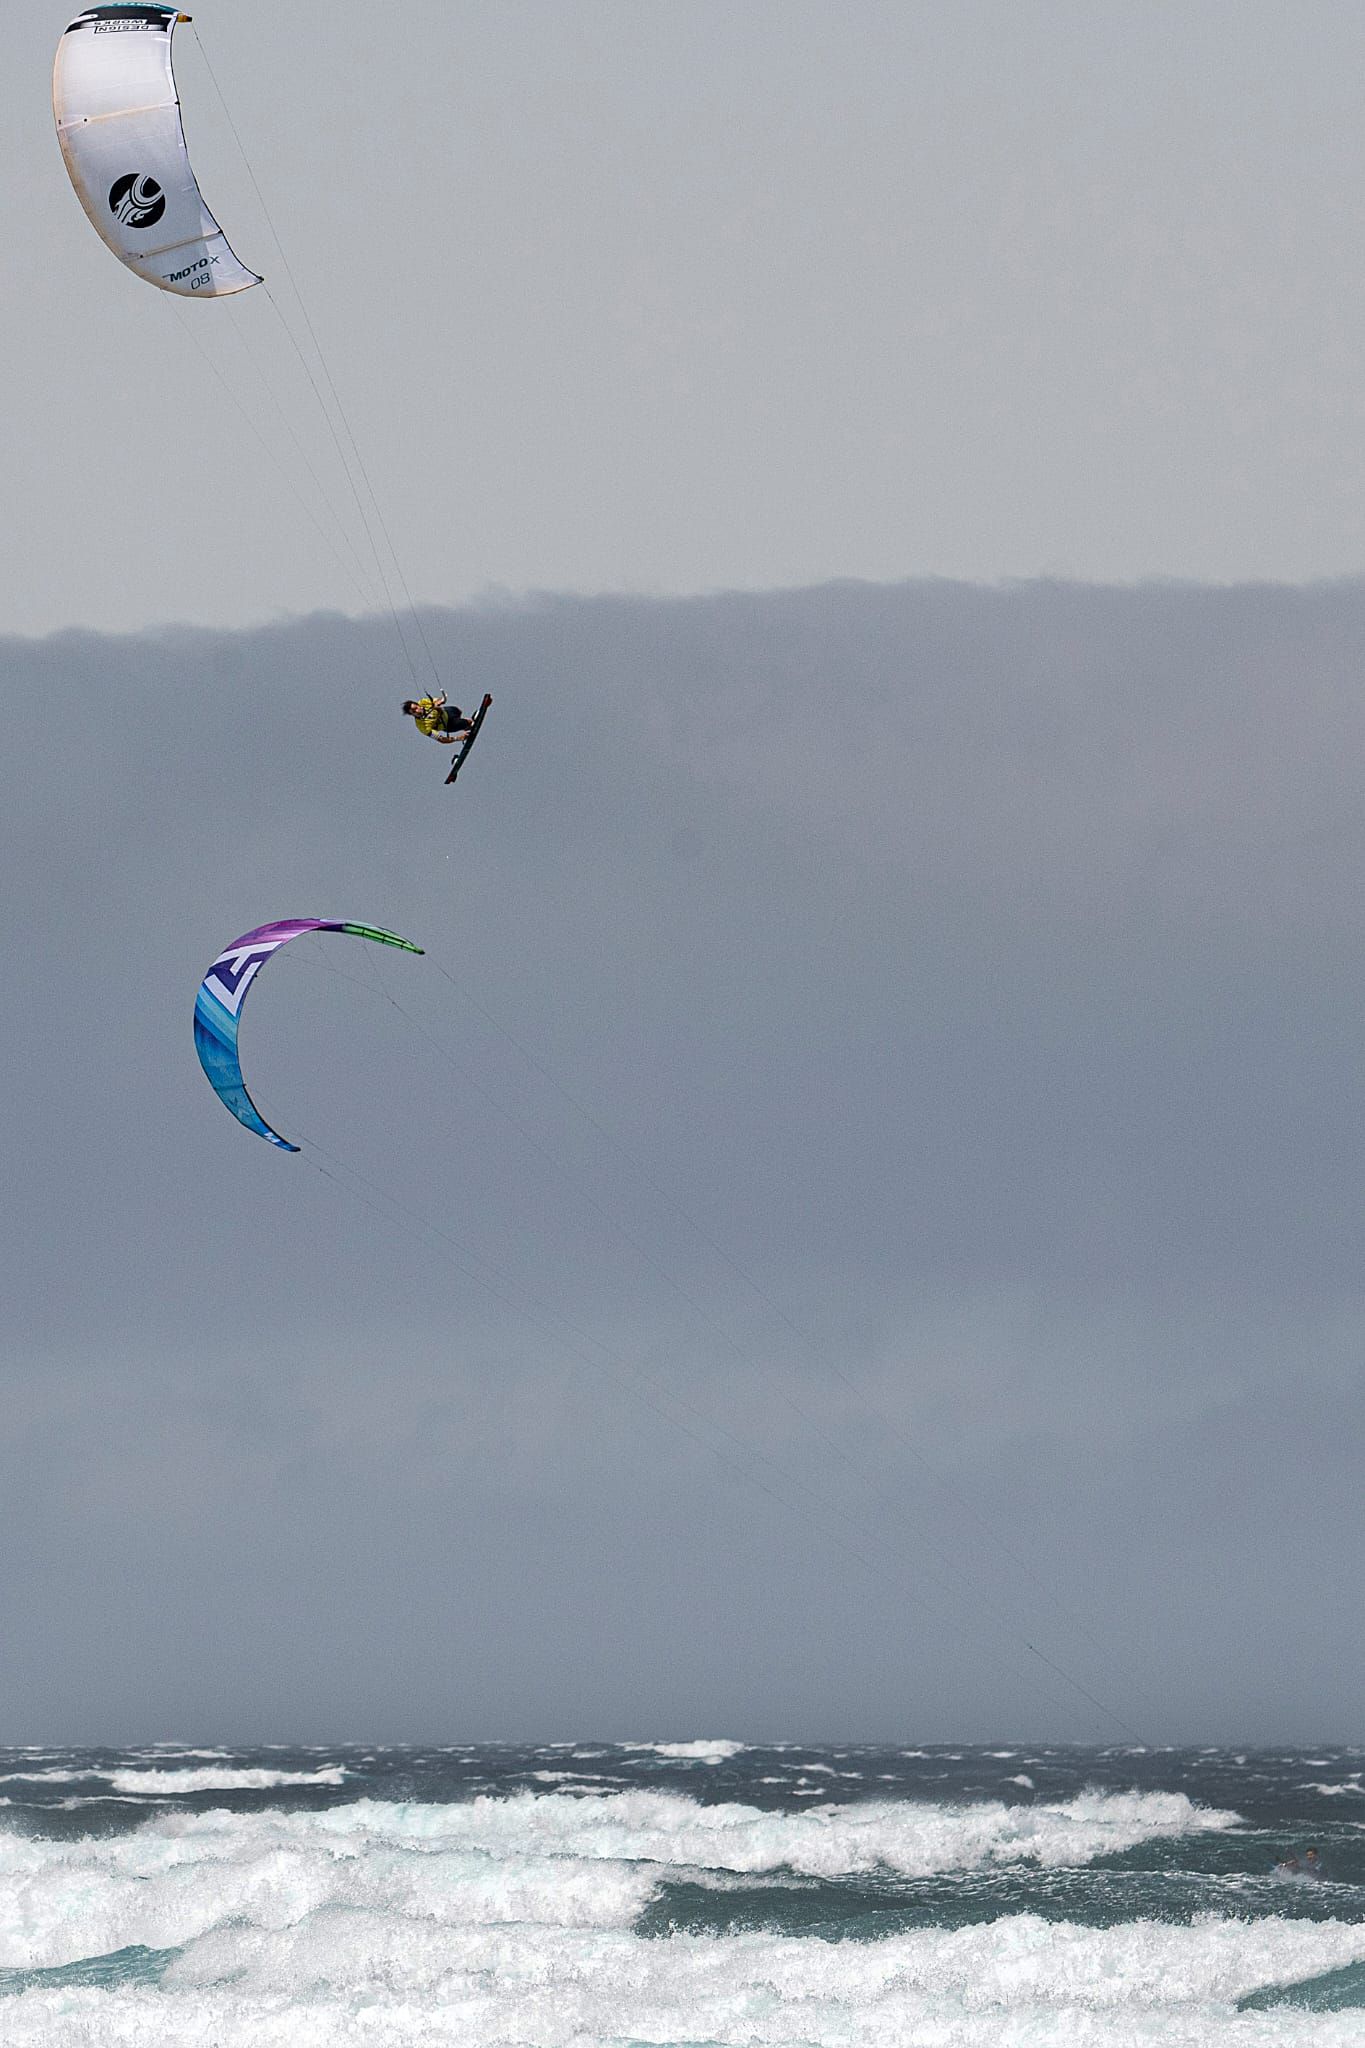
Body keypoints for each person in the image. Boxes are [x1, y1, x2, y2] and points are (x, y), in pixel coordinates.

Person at [402, 694, 473, 747]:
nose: (417, 711)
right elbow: (441, 739)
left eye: (416, 708)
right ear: (412, 715)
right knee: (467, 723)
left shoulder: (423, 702)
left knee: (458, 710)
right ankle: (467, 727)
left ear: (418, 705)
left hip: (447, 712)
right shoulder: (422, 726)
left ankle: (466, 727)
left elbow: (439, 701)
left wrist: (441, 701)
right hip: (447, 725)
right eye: (414, 712)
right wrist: (458, 738)